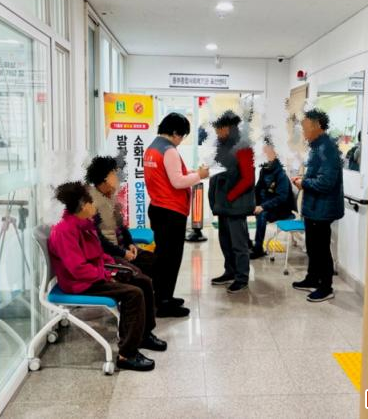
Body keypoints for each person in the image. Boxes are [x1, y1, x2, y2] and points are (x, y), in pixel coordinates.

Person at [48, 182, 166, 372]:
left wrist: (114, 265)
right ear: (84, 205)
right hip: (80, 283)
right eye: (91, 202)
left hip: (95, 273)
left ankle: (144, 335)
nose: (94, 205)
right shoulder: (64, 231)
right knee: (133, 294)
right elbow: (77, 269)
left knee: (142, 280)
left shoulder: (84, 224)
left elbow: (98, 253)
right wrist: (107, 274)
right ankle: (127, 354)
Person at [144, 112, 209, 317]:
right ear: (174, 132)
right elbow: (177, 182)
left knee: (163, 257)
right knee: (171, 259)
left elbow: (169, 175)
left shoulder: (153, 148)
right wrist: (199, 175)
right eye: (182, 135)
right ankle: (164, 303)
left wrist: (191, 172)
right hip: (171, 212)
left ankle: (163, 296)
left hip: (158, 208)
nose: (181, 140)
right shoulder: (169, 150)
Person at [291, 109, 344, 302]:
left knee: (320, 249)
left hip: (323, 208)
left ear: (317, 125)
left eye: (305, 127)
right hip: (313, 207)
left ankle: (326, 286)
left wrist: (303, 183)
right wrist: (303, 179)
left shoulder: (327, 148)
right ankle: (312, 278)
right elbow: (317, 175)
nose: (303, 131)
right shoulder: (316, 147)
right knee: (312, 246)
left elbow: (326, 182)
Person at [85, 155, 156, 279]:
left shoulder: (110, 196)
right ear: (103, 179)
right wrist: (123, 253)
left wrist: (130, 243)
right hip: (111, 255)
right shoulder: (92, 204)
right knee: (140, 278)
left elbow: (122, 226)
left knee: (157, 262)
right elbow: (99, 241)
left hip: (123, 249)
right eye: (113, 174)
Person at [209, 110, 255, 293]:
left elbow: (248, 179)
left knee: (239, 244)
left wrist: (230, 196)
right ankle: (230, 272)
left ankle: (241, 277)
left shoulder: (243, 147)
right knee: (225, 241)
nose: (216, 133)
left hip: (236, 204)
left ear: (227, 128)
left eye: (218, 129)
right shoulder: (223, 146)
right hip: (223, 204)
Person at [250, 138, 296, 259]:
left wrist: (262, 206)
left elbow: (282, 198)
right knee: (243, 210)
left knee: (262, 214)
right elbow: (258, 188)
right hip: (268, 205)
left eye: (266, 149)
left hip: (282, 210)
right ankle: (248, 243)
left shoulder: (281, 174)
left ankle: (258, 248)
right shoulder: (264, 170)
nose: (263, 152)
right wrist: (250, 202)